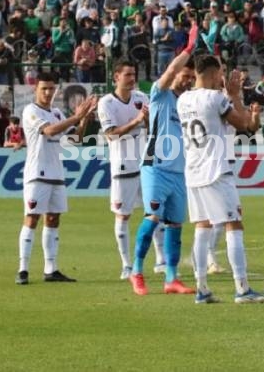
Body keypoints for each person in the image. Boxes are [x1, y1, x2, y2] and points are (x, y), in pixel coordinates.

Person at [178, 55, 264, 304]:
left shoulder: (183, 99)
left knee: (202, 227)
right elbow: (246, 126)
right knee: (234, 224)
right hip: (216, 170)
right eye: (220, 72)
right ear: (212, 73)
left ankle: (202, 289)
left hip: (194, 171)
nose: (222, 76)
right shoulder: (216, 98)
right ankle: (242, 289)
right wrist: (235, 96)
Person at [127, 22, 199, 296]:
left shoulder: (187, 102)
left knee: (175, 225)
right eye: (185, 75)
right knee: (152, 217)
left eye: (191, 77)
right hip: (155, 167)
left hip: (179, 172)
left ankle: (171, 278)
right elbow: (169, 71)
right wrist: (189, 48)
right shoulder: (160, 94)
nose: (187, 80)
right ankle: (136, 271)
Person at [15, 72, 97, 285]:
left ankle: (50, 269)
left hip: (56, 173)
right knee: (32, 218)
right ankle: (23, 269)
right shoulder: (31, 111)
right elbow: (49, 131)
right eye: (44, 88)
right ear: (36, 89)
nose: (48, 92)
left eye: (51, 88)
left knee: (53, 219)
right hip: (37, 173)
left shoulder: (58, 113)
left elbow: (76, 138)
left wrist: (85, 118)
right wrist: (77, 117)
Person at [97, 60, 166, 280]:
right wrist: (137, 120)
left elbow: (152, 128)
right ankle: (127, 265)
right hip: (122, 166)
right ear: (116, 76)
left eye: (133, 74)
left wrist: (146, 122)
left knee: (155, 213)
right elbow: (111, 134)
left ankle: (161, 260)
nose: (132, 78)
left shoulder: (141, 98)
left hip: (146, 165)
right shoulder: (106, 102)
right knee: (123, 215)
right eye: (127, 74)